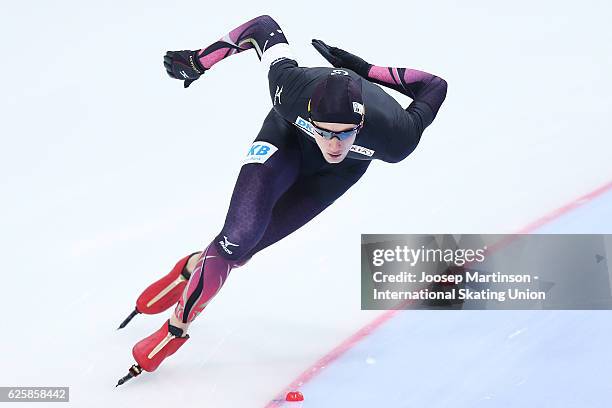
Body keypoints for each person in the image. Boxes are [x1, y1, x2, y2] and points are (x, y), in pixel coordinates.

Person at [116, 14, 447, 383]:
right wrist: (198, 60)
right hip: (285, 141)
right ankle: (175, 331)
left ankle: (192, 267)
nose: (334, 144)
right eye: (325, 131)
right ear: (309, 115)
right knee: (237, 237)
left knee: (240, 252)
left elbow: (434, 85)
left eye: (346, 133)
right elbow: (262, 27)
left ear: (362, 124)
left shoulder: (395, 136)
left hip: (333, 177)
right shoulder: (291, 86)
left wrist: (366, 69)